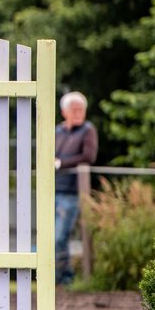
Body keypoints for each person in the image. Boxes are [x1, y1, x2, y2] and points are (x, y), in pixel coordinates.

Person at [54, 91, 97, 286]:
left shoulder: (87, 130)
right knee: (51, 237)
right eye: (74, 109)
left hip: (71, 192)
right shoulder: (57, 131)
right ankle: (58, 276)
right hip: (53, 189)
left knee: (60, 236)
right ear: (64, 112)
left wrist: (60, 163)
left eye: (81, 109)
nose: (79, 112)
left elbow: (88, 157)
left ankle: (65, 277)